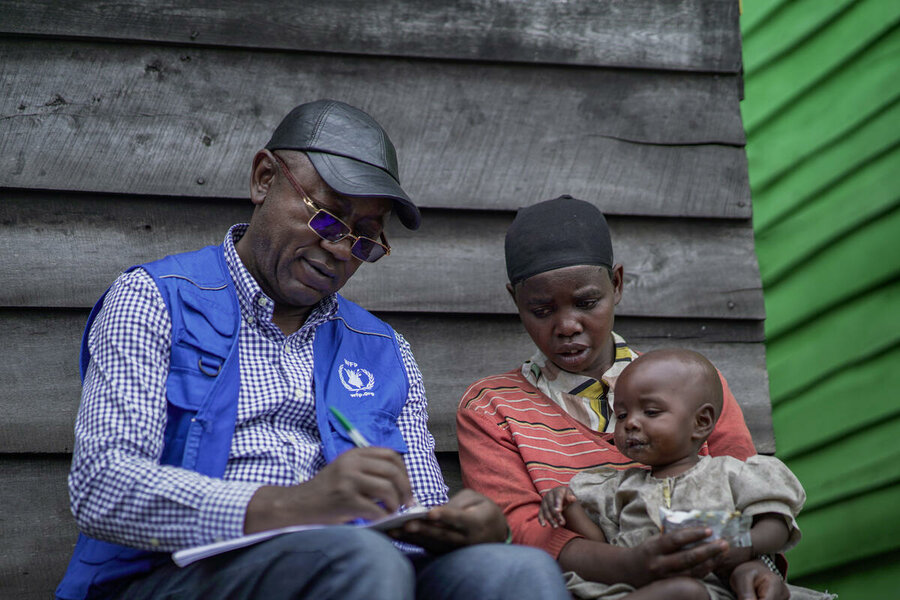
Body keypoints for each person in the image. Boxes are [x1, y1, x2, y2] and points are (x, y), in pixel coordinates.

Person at [56, 99, 570, 600]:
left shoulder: (383, 350)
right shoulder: (156, 298)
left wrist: (458, 525)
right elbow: (103, 487)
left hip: (358, 566)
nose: (341, 249)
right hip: (173, 574)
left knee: (514, 572)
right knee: (356, 557)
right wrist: (294, 506)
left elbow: (417, 504)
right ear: (263, 179)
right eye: (328, 216)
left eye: (365, 239)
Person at [456, 195, 791, 599]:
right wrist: (633, 565)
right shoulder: (493, 408)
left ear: (616, 284)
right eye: (541, 310)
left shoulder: (693, 384)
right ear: (516, 302)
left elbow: (740, 496)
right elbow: (520, 529)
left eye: (586, 302)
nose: (566, 325)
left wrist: (747, 565)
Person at [538, 348, 832, 600]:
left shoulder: (730, 474)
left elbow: (776, 522)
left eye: (650, 412)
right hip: (639, 589)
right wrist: (570, 506)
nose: (630, 424)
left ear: (701, 422)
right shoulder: (619, 488)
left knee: (686, 592)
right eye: (623, 414)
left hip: (714, 589)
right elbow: (601, 543)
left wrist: (745, 545)